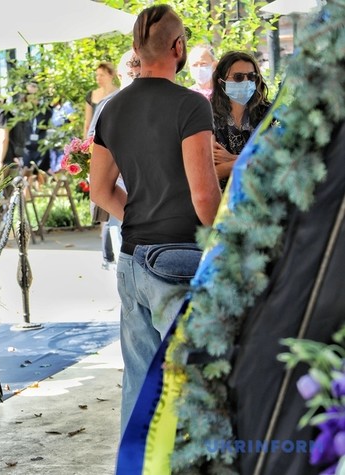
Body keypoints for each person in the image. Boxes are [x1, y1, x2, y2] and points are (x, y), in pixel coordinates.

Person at [90, 4, 221, 435]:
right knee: (194, 381)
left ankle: (137, 463)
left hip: (132, 258)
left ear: (135, 48)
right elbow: (204, 196)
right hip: (181, 257)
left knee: (140, 383)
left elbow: (100, 191)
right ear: (179, 48)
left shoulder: (111, 109)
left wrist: (142, 216)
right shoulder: (190, 105)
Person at [87, 51, 141, 271]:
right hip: (119, 186)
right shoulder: (108, 105)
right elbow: (92, 143)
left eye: (139, 72)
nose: (135, 77)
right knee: (124, 241)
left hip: (148, 188)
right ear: (120, 75)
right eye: (130, 73)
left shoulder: (157, 102)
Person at [211, 51, 271, 189]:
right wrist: (251, 161)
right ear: (221, 82)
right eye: (238, 77)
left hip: (263, 193)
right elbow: (213, 172)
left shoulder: (269, 114)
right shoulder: (209, 115)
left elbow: (277, 161)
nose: (246, 82)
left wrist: (231, 159)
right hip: (225, 197)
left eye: (251, 76)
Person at [83, 62, 119, 138]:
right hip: (94, 137)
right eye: (97, 75)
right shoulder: (91, 95)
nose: (98, 78)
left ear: (111, 75)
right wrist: (85, 142)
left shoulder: (119, 94)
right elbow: (87, 123)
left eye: (102, 75)